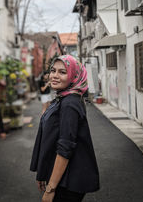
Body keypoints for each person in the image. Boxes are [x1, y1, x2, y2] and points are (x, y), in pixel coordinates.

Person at [30, 55, 99, 202]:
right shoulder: (63, 98)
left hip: (68, 181)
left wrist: (51, 189)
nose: (54, 76)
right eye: (53, 70)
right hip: (63, 176)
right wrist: (43, 173)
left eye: (62, 72)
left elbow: (65, 148)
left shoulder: (70, 104)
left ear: (74, 75)